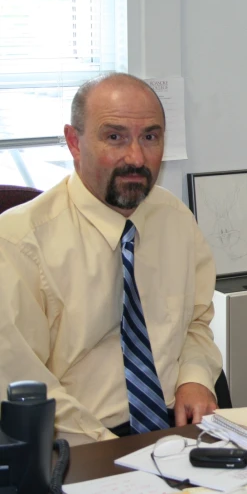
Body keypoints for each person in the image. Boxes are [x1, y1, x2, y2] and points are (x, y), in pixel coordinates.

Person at [0, 73, 223, 445]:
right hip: (78, 438)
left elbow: (196, 321)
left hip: (174, 427)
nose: (135, 157)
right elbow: (22, 384)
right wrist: (112, 451)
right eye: (115, 137)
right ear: (74, 142)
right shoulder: (19, 243)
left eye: (150, 137)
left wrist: (196, 376)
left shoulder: (174, 219)